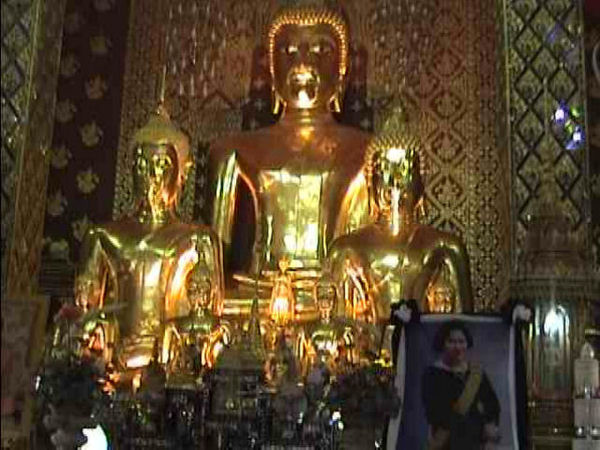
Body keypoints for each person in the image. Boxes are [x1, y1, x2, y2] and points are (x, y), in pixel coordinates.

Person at [422, 320, 500, 449]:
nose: (457, 347)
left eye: (461, 341)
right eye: (451, 342)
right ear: (442, 344)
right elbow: (434, 411)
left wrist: (489, 425)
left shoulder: (476, 373)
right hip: (446, 442)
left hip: (475, 442)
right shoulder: (432, 374)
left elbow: (492, 405)